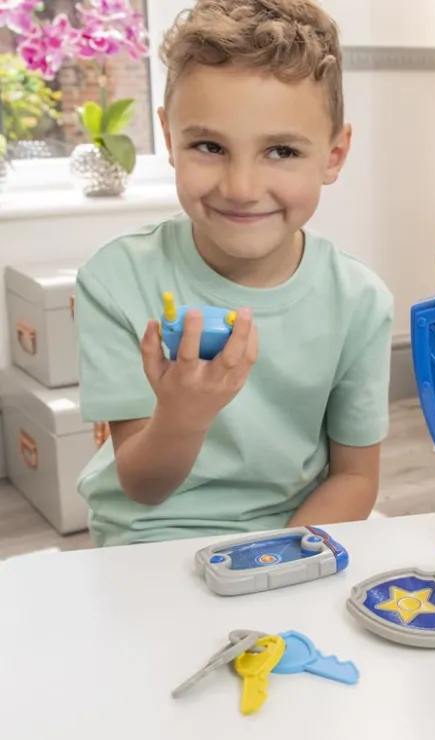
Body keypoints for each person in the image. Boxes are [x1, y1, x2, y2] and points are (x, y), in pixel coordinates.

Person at [74, 0, 394, 547]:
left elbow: (355, 477)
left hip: (295, 535)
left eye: (281, 151)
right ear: (169, 139)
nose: (241, 188)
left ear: (334, 154)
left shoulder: (360, 301)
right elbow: (142, 488)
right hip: (151, 542)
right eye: (209, 146)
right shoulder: (116, 279)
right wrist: (184, 414)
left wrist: (278, 560)